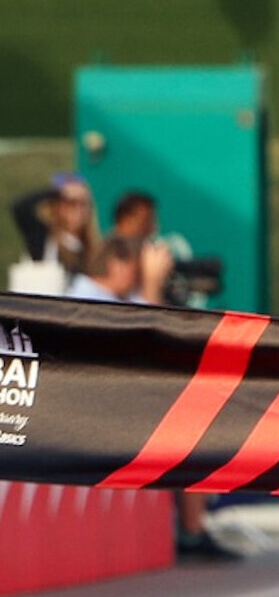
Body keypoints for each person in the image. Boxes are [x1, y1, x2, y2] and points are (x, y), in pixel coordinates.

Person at [67, 235, 240, 563]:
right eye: (135, 269)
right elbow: (148, 344)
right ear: (115, 264)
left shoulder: (115, 295)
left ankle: (191, 527)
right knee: (187, 429)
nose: (137, 276)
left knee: (197, 419)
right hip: (98, 409)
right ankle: (191, 531)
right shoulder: (84, 299)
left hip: (123, 403)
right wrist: (151, 285)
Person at [10, 172, 97, 273]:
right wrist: (54, 192)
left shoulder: (91, 248)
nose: (79, 209)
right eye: (71, 202)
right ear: (57, 206)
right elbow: (20, 208)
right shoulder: (43, 237)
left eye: (83, 203)